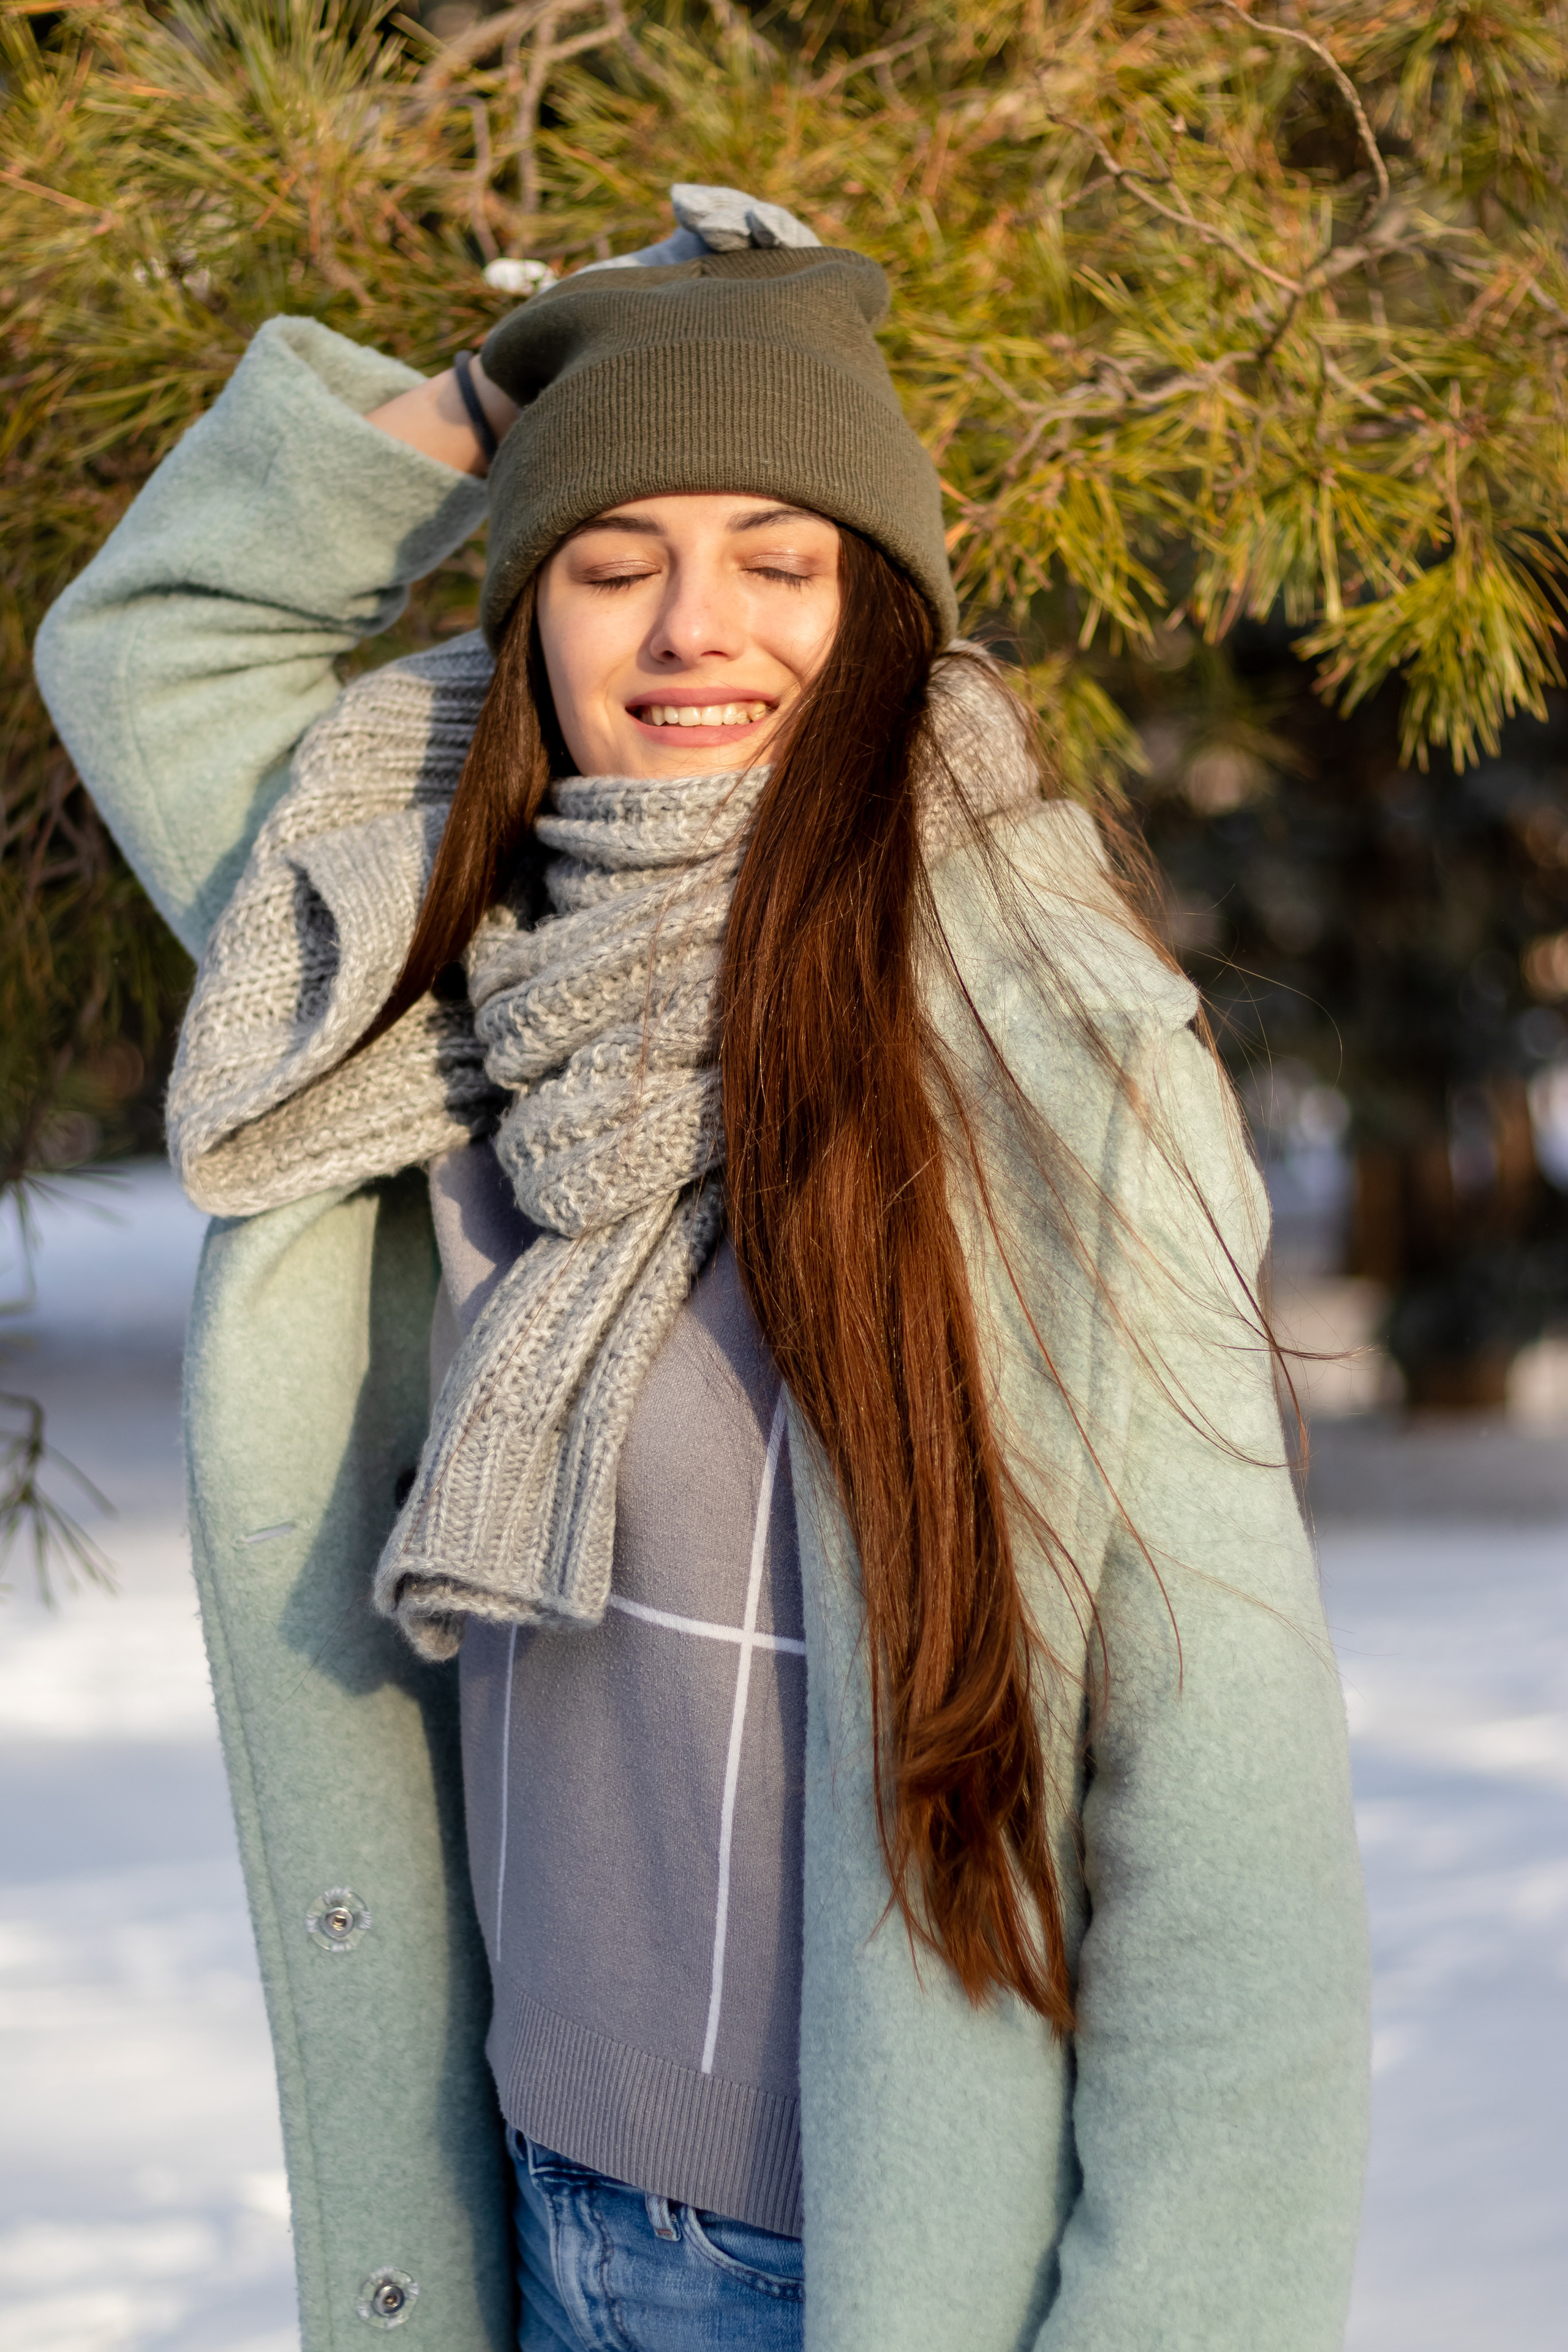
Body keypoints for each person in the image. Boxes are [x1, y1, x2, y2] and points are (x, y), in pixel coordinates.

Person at [35, 184, 1370, 2352]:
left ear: (883, 610)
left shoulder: (1041, 1050)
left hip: (837, 2275)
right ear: (531, 621)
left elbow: (1228, 1831)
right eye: (611, 561)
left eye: (778, 560)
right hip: (518, 2221)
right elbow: (149, 642)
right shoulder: (420, 971)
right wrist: (507, 390)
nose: (693, 630)